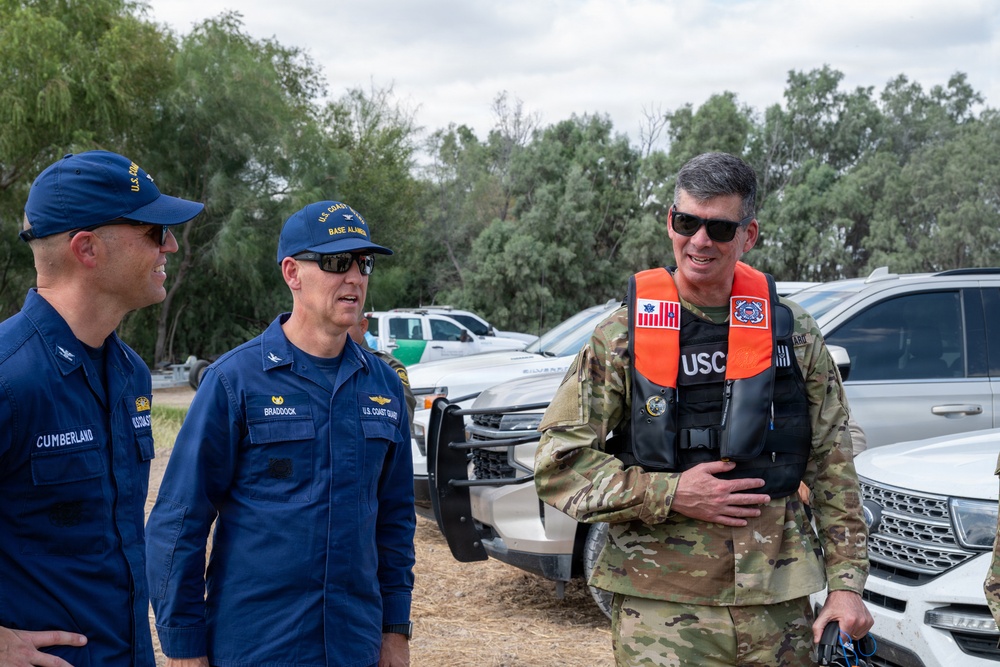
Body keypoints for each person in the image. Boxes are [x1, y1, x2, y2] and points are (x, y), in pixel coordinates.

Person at [533, 152, 872, 666]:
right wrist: (671, 493)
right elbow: (558, 464)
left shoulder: (792, 330)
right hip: (662, 610)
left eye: (718, 228)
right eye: (686, 222)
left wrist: (847, 584)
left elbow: (832, 459)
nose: (698, 241)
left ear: (748, 234)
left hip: (777, 606)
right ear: (670, 221)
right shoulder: (622, 335)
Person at [146, 200, 416, 667]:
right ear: (292, 272)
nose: (354, 277)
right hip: (257, 646)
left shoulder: (383, 385)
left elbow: (394, 522)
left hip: (355, 645)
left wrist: (395, 629)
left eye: (363, 263)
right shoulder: (235, 381)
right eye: (335, 262)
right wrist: (184, 647)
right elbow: (178, 523)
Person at [0, 150, 203, 666]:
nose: (171, 246)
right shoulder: (10, 377)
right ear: (87, 248)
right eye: (155, 232)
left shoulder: (130, 373)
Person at [349, 314, 417, 430]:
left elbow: (405, 417)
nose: (336, 332)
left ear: (363, 326)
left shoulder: (388, 367)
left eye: (344, 326)